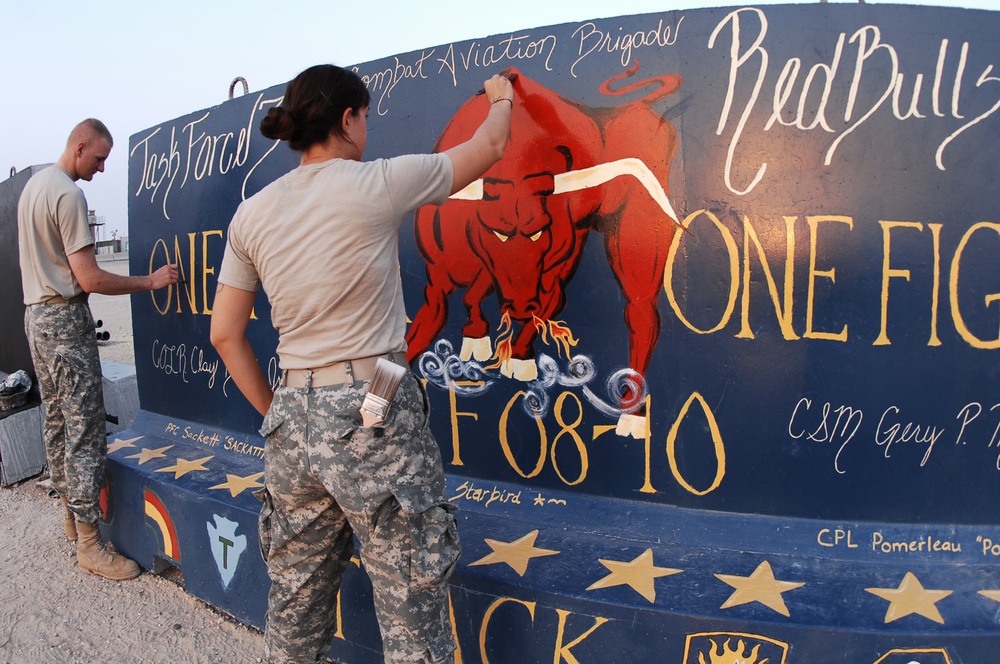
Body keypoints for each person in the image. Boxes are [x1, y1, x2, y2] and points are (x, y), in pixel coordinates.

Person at [210, 64, 513, 663]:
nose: (368, 128)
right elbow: (490, 145)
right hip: (373, 401)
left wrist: (283, 415)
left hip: (292, 416)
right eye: (366, 117)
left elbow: (225, 335)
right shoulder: (376, 182)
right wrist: (501, 97)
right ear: (347, 119)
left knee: (295, 608)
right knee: (411, 610)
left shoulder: (253, 215)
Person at [18, 118, 179, 580]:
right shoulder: (68, 194)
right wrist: (148, 281)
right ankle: (90, 543)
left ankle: (72, 518)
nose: (103, 169)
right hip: (65, 320)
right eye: (100, 158)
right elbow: (89, 278)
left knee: (56, 421)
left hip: (36, 316)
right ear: (80, 145)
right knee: (86, 429)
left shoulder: (34, 187)